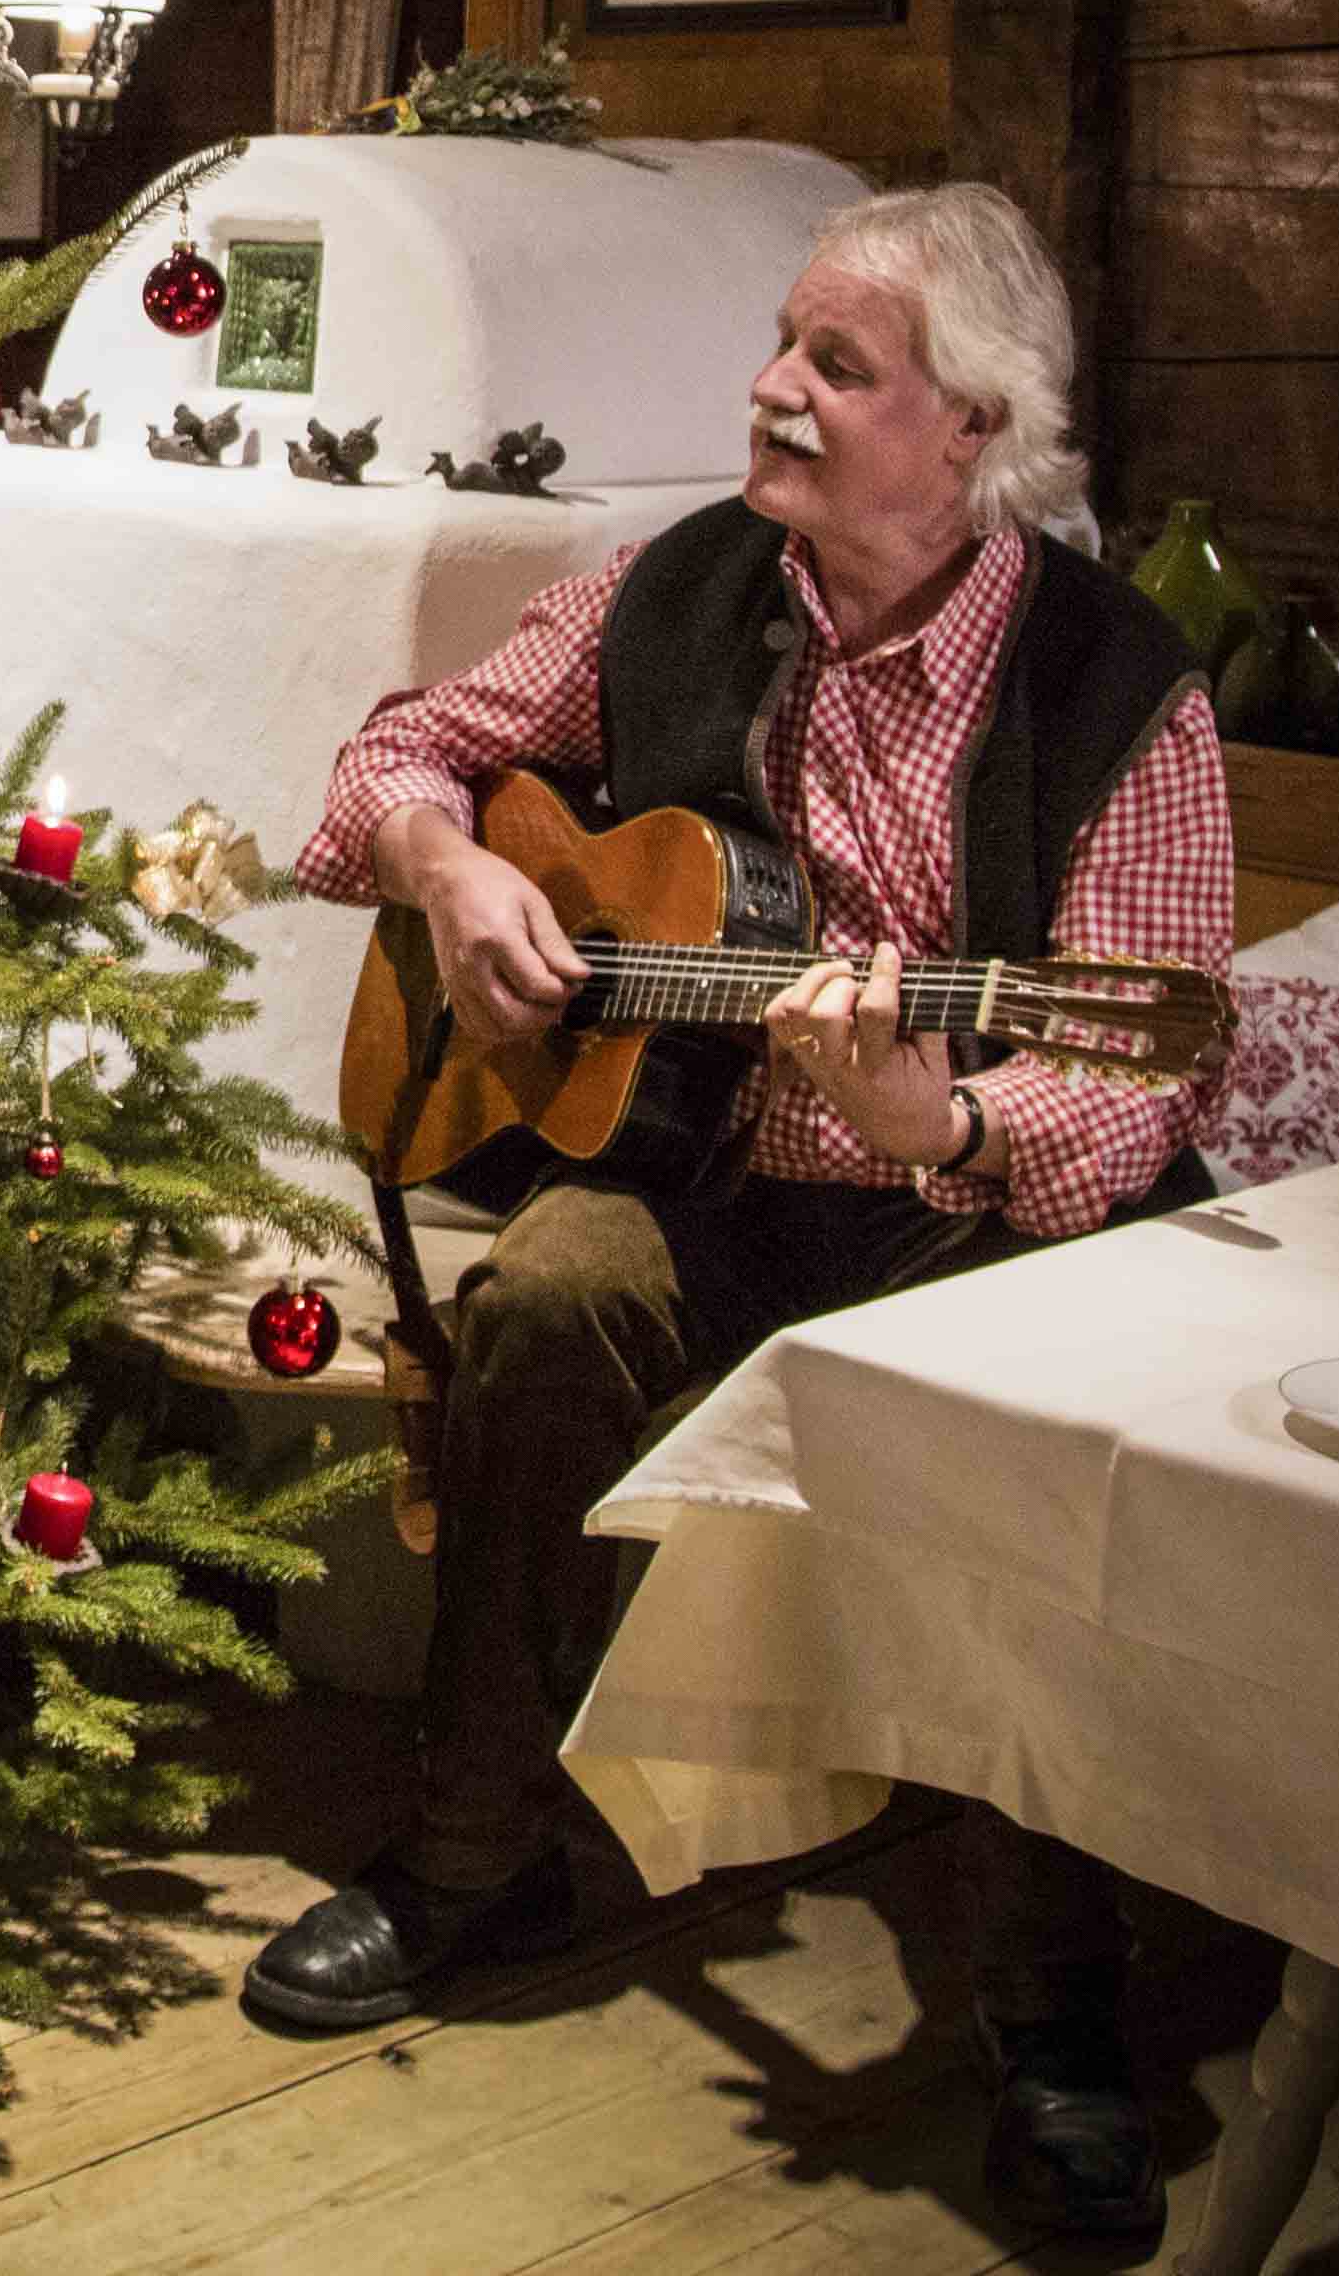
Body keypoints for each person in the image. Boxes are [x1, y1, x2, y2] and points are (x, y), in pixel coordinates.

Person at [254, 183, 1229, 2240]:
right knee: (542, 1300)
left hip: (981, 1227)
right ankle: (475, 1852)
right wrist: (448, 867)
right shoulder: (672, 588)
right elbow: (392, 758)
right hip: (706, 1185)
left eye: (836, 366)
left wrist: (940, 1108)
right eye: (785, 341)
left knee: (1045, 1444)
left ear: (972, 427)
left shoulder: (1121, 680)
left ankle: (1055, 2013)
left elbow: (1139, 1077)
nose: (773, 389)